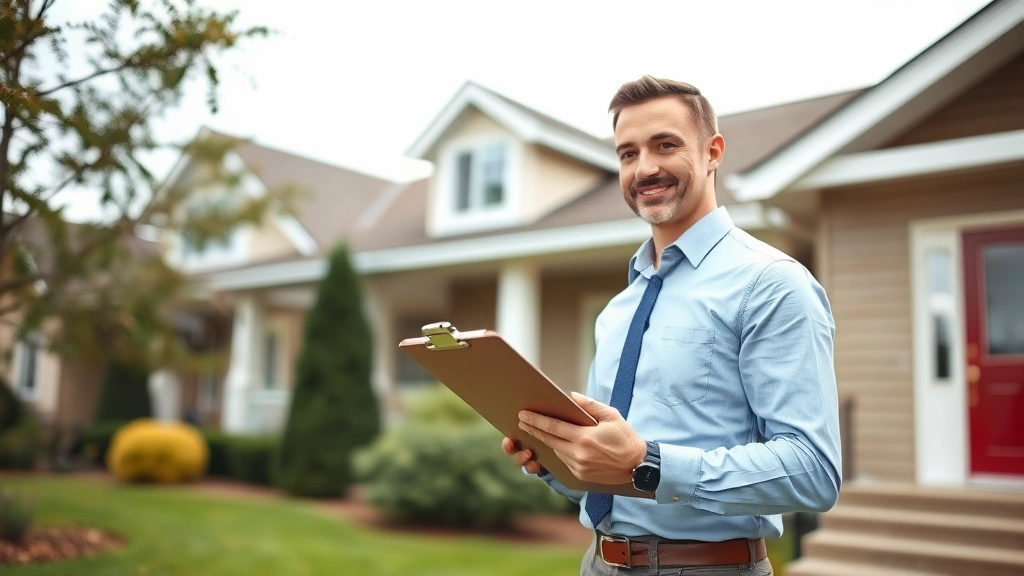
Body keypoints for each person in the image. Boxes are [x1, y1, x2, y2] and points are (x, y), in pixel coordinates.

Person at [501, 76, 842, 575]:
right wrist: (558, 460)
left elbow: (812, 472)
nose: (645, 168)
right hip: (598, 563)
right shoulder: (618, 310)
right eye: (628, 153)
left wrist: (649, 462)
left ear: (712, 152)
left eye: (665, 145)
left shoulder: (771, 284)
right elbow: (611, 477)